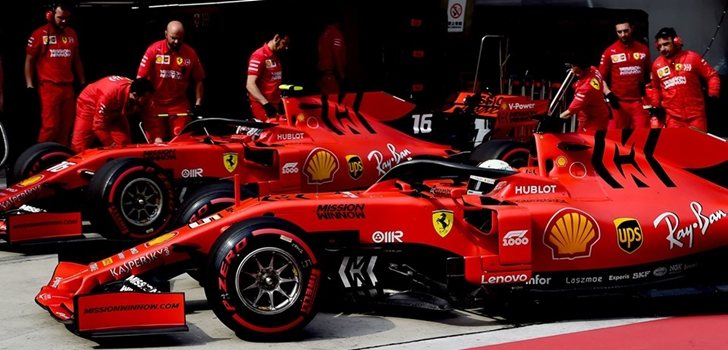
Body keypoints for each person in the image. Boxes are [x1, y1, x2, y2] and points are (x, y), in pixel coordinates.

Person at [24, 2, 85, 147]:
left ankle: (60, 160)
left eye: (67, 18)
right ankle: (38, 159)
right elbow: (29, 61)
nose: (63, 21)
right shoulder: (39, 34)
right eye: (60, 18)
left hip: (68, 87)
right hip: (48, 86)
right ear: (50, 15)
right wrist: (29, 84)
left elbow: (77, 60)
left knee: (66, 127)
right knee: (50, 126)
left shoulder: (72, 33)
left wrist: (82, 82)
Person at [137, 20, 205, 143]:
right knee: (156, 141)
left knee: (181, 141)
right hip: (154, 103)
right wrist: (140, 101)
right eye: (173, 38)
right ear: (166, 34)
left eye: (180, 38)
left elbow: (199, 79)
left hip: (179, 103)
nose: (176, 42)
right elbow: (140, 79)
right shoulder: (153, 50)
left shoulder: (190, 53)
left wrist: (198, 103)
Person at [649, 27, 720, 131]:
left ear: (676, 42)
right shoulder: (657, 65)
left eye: (666, 44)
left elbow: (712, 75)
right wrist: (655, 106)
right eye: (659, 46)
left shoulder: (692, 58)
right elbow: (655, 88)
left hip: (696, 116)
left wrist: (713, 95)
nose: (662, 49)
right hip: (673, 119)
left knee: (698, 146)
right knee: (676, 147)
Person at [70, 76, 154, 153]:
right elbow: (98, 126)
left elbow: (150, 118)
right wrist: (110, 145)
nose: (148, 102)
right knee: (79, 146)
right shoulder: (110, 95)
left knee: (124, 144)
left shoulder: (143, 96)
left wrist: (156, 138)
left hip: (115, 110)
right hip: (89, 104)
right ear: (135, 95)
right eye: (146, 99)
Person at [598, 19, 651, 129]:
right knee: (616, 138)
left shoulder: (643, 49)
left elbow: (651, 74)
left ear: (632, 29)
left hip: (639, 103)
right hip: (618, 103)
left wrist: (650, 93)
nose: (623, 35)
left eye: (626, 31)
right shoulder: (609, 51)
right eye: (619, 32)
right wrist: (609, 94)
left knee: (642, 136)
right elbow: (599, 78)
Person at [246, 30, 290, 120]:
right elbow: (250, 85)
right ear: (277, 38)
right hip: (263, 107)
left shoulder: (276, 57)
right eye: (284, 43)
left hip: (276, 105)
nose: (286, 48)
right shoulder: (259, 56)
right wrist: (266, 105)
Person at [559, 59, 610, 133]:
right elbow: (602, 80)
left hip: (593, 123)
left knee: (583, 142)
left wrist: (553, 120)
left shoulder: (586, 89)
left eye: (573, 67)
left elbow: (570, 112)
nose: (571, 69)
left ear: (580, 67)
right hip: (599, 114)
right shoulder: (593, 69)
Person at [318, 14, 346, 94]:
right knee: (335, 102)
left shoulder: (323, 34)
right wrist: (342, 75)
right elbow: (337, 55)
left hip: (323, 76)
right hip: (332, 76)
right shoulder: (336, 34)